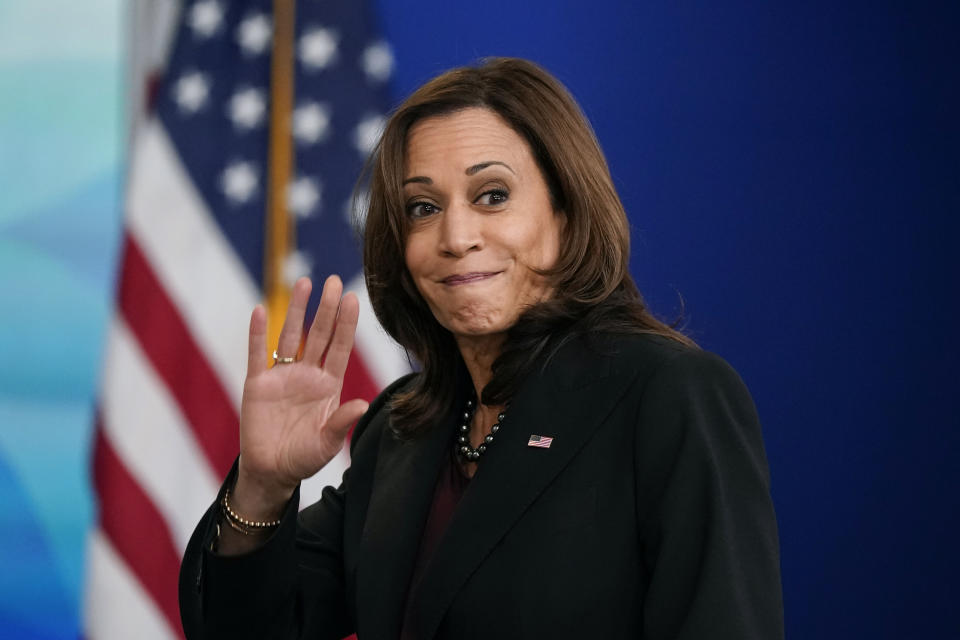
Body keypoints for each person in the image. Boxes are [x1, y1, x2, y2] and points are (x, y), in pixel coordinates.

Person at [179, 57, 784, 639]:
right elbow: (251, 629)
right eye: (423, 208)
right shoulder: (400, 427)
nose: (456, 237)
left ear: (566, 213)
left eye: (492, 195)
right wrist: (263, 485)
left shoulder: (669, 396)